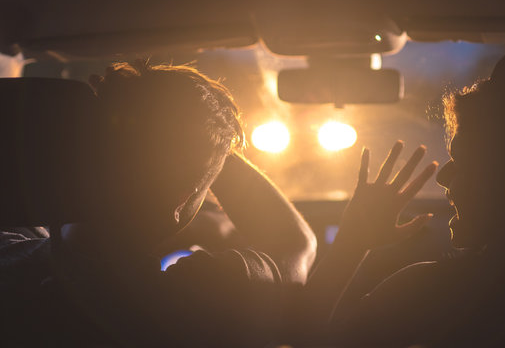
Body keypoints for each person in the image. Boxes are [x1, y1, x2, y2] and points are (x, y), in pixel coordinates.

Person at [301, 45, 505, 346]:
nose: (443, 176)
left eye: (464, 159)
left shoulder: (429, 296)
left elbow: (304, 339)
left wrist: (351, 243)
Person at [1, 60, 316, 346]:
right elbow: (294, 244)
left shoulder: (12, 261)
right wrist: (209, 144)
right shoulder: (187, 308)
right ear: (180, 200)